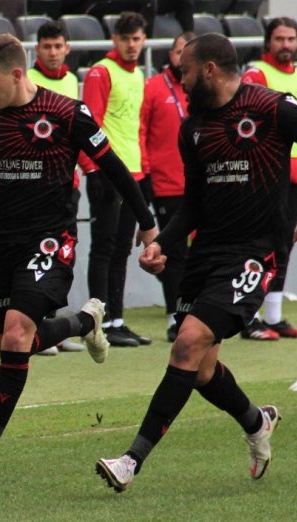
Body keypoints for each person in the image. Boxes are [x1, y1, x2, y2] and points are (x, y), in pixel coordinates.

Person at [95, 33, 297, 493]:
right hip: (206, 253)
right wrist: (164, 243)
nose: (182, 81)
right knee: (203, 368)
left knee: (186, 344)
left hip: (254, 254)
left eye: (187, 72)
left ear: (209, 69)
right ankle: (257, 421)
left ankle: (131, 461)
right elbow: (194, 203)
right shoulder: (193, 128)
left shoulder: (273, 108)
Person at [0, 34, 158, 476]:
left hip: (50, 238)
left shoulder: (66, 112)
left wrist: (147, 222)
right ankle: (84, 322)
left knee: (18, 333)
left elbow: (114, 166)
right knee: (9, 342)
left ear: (17, 73)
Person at [239, 17, 297, 341]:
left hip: (294, 172)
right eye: (280, 39)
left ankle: (272, 317)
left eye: (291, 39)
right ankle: (247, 317)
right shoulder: (256, 73)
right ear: (268, 42)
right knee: (256, 245)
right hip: (263, 173)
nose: (286, 45)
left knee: (282, 245)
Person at [80, 12, 153, 347]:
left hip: (133, 174)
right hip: (108, 174)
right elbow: (89, 124)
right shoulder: (101, 72)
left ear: (144, 39)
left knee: (122, 249)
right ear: (114, 40)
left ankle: (118, 321)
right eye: (125, 39)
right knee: (104, 248)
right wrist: (92, 169)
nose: (131, 45)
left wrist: (144, 173)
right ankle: (100, 323)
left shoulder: (138, 74)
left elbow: (137, 129)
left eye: (137, 39)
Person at [27, 20, 85, 356]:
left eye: (57, 46)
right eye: (46, 46)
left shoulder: (71, 79)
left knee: (63, 255)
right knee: (38, 254)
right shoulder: (29, 81)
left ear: (67, 48)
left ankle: (55, 329)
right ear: (36, 50)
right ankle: (36, 326)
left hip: (68, 181)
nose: (52, 52)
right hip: (38, 184)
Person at [139, 31, 195, 342]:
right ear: (170, 55)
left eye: (188, 53)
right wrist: (146, 176)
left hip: (203, 184)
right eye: (178, 51)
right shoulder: (153, 87)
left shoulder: (201, 91)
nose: (182, 58)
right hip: (166, 183)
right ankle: (175, 317)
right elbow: (141, 133)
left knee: (203, 252)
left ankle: (198, 312)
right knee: (173, 253)